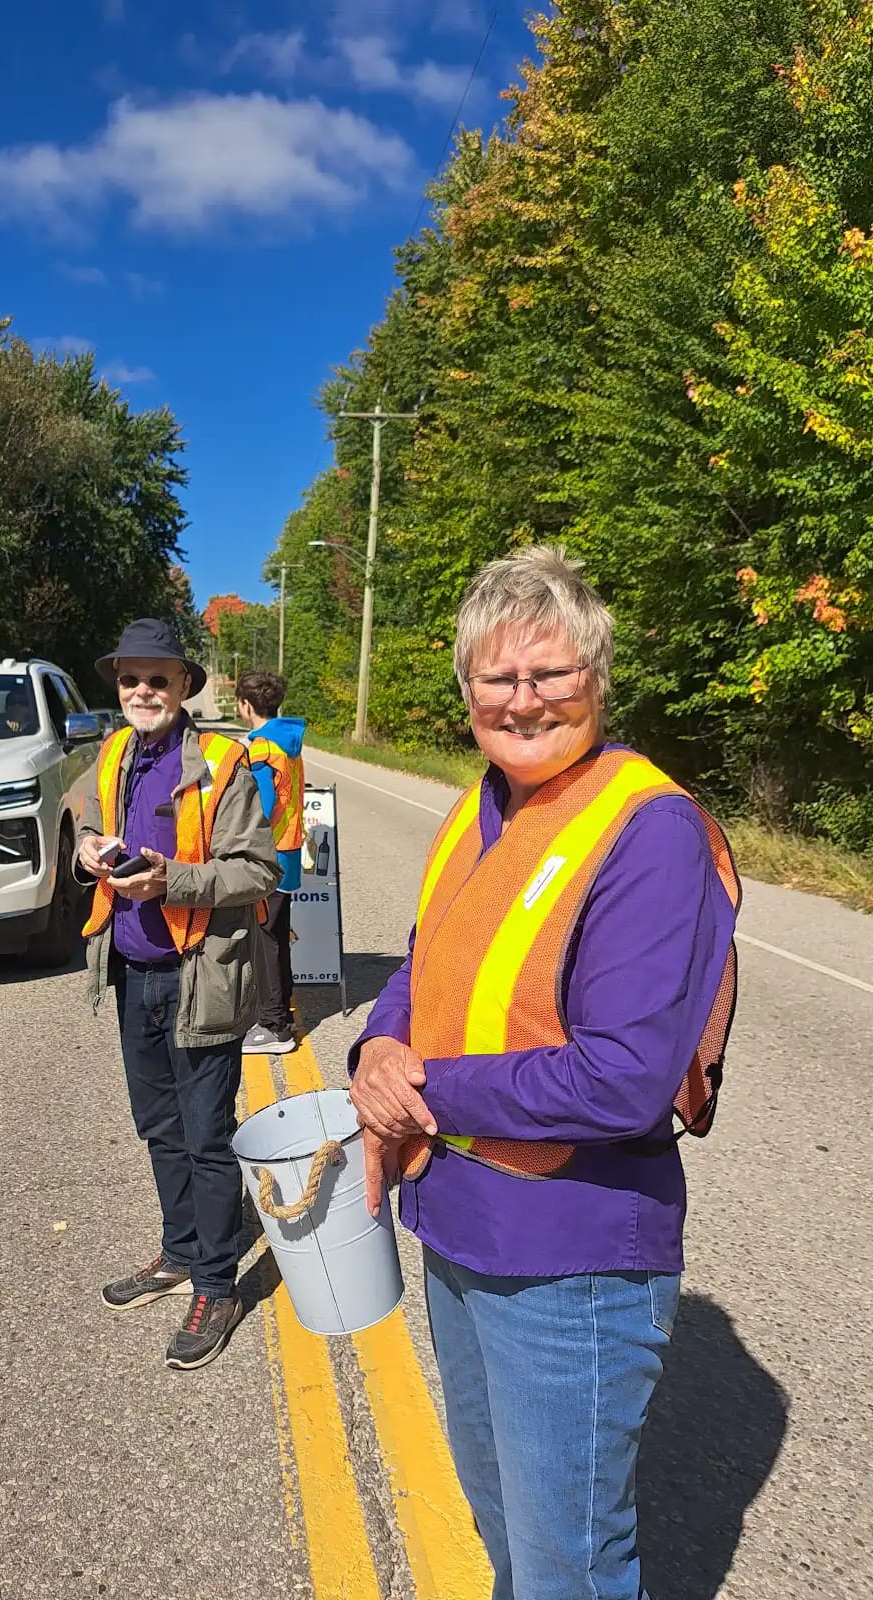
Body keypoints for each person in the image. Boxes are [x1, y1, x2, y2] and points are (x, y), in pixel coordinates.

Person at [349, 546, 740, 1600]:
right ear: (467, 690)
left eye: (550, 672)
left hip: (571, 1262)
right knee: (508, 1536)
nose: (523, 699)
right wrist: (377, 1045)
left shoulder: (647, 827)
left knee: (571, 1564)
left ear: (597, 678)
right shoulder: (481, 804)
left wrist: (421, 1089)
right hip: (458, 1226)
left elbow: (622, 1078)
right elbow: (426, 963)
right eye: (498, 677)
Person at [75, 618, 280, 1371]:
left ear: (184, 685)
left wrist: (175, 881)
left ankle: (217, 1285)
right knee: (160, 1128)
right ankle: (181, 1249)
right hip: (132, 973)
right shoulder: (113, 752)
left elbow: (259, 871)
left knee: (205, 1136)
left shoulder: (222, 762)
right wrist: (87, 850)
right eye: (130, 679)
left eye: (157, 679)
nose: (142, 691)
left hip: (202, 977)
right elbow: (89, 825)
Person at [234, 670, 306, 1056]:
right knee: (276, 937)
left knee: (264, 941)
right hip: (288, 850)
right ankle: (281, 1016)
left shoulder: (261, 748)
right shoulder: (288, 742)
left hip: (268, 854)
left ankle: (274, 1026)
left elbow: (261, 806)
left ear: (246, 706)